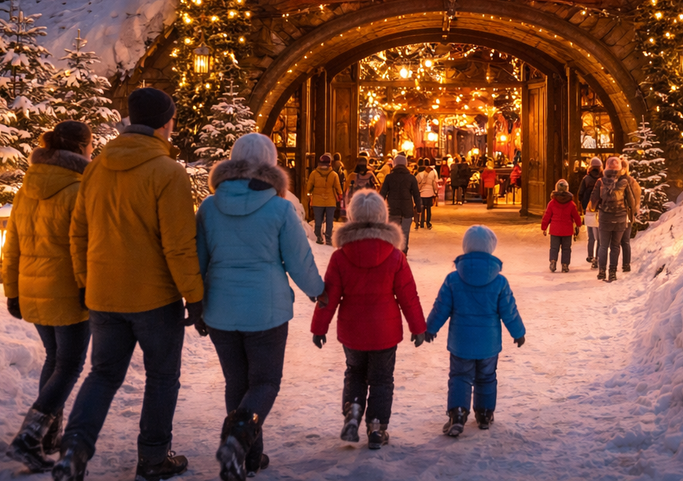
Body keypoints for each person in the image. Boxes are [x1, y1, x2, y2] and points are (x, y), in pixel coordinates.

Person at [55, 89, 205, 481]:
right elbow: (178, 244)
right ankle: (153, 458)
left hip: (104, 294)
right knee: (161, 377)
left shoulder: (97, 168)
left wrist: (87, 280)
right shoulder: (168, 172)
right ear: (165, 122)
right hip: (154, 297)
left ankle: (73, 448)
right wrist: (195, 296)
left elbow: (79, 232)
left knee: (102, 374)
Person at [196, 133, 327, 481]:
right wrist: (317, 290)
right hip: (265, 310)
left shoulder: (210, 206)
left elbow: (199, 258)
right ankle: (238, 440)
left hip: (220, 307)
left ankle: (248, 458)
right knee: (266, 381)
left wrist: (194, 301)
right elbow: (297, 259)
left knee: (236, 383)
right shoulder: (280, 207)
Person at [5, 121, 94, 472]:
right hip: (68, 292)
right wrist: (88, 287)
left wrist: (12, 291)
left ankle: (47, 435)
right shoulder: (78, 190)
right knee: (69, 366)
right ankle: (28, 437)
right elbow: (80, 246)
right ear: (82, 148)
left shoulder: (26, 188)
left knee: (55, 359)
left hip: (32, 290)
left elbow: (12, 244)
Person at [310, 190, 428, 450]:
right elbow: (408, 296)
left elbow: (329, 296)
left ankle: (352, 411)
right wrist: (418, 327)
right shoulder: (395, 256)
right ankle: (376, 427)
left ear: (352, 215)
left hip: (352, 329)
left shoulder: (340, 257)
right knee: (382, 378)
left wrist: (319, 327)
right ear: (382, 215)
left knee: (355, 372)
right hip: (385, 330)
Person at [424, 225, 525, 436]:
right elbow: (509, 310)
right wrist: (518, 332)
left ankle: (458, 413)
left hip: (461, 342)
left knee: (460, 376)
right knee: (487, 377)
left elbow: (441, 306)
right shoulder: (499, 282)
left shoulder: (453, 279)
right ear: (491, 248)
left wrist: (430, 328)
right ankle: (485, 414)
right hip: (489, 343)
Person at [589, 157, 639, 283]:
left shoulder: (600, 182)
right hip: (620, 219)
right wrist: (632, 213)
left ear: (606, 167)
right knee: (615, 246)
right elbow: (631, 201)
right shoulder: (624, 182)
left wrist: (594, 208)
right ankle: (612, 272)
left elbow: (593, 201)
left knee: (603, 245)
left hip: (605, 218)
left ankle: (601, 271)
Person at [378, 154, 421, 254]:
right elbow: (416, 194)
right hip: (407, 209)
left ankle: (393, 251)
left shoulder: (389, 177)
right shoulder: (411, 178)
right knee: (405, 232)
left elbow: (383, 193)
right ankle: (403, 251)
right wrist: (419, 208)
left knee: (393, 232)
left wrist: (379, 207)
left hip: (392, 209)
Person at [541, 179, 582, 273]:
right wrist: (578, 224)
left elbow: (547, 216)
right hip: (567, 230)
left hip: (555, 230)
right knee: (566, 248)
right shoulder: (571, 204)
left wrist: (544, 227)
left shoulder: (552, 203)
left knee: (554, 247)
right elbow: (576, 215)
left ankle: (553, 261)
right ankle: (565, 265)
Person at [305, 153, 342, 246]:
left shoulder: (313, 174)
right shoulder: (334, 174)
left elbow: (309, 187)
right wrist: (340, 194)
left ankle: (318, 236)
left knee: (318, 219)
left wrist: (309, 193)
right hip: (330, 201)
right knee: (329, 220)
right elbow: (338, 187)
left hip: (317, 201)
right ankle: (328, 238)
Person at [577, 158, 603, 269]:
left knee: (591, 236)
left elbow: (580, 194)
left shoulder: (586, 179)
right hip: (600, 210)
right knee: (600, 238)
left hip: (588, 210)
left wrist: (583, 206)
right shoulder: (603, 179)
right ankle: (596, 258)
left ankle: (590, 255)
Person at [618, 157, 641, 273]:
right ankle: (626, 264)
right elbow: (636, 198)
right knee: (625, 241)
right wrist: (635, 210)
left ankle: (613, 266)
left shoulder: (613, 180)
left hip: (617, 214)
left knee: (615, 242)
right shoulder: (631, 181)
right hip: (627, 214)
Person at [415, 159, 440, 230]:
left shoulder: (419, 174)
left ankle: (421, 222)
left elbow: (416, 184)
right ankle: (428, 222)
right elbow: (434, 183)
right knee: (428, 209)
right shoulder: (433, 172)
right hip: (430, 193)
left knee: (422, 208)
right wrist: (435, 192)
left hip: (422, 193)